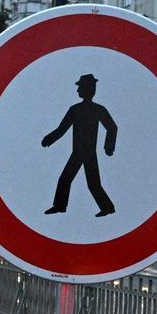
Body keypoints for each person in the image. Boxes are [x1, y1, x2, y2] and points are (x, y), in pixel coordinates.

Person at [41, 73, 119, 217]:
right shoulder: (77, 109)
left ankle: (106, 208)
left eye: (80, 88)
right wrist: (48, 140)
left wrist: (109, 147)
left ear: (86, 89)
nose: (77, 91)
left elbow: (112, 127)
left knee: (77, 181)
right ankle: (107, 208)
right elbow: (62, 129)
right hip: (81, 152)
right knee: (88, 183)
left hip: (84, 153)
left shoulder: (90, 109)